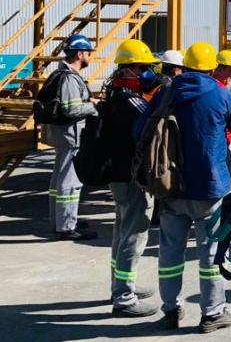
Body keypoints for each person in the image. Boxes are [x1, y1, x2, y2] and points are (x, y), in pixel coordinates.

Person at [133, 41, 231, 332]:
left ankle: (171, 309)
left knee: (170, 253)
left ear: (184, 67)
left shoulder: (167, 92)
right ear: (212, 68)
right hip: (210, 187)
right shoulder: (220, 94)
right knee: (210, 254)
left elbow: (139, 130)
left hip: (170, 187)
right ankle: (213, 312)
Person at [105, 40, 159, 317]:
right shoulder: (131, 102)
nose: (148, 73)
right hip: (130, 177)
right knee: (133, 235)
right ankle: (124, 298)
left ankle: (121, 285)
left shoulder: (115, 93)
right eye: (143, 67)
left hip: (118, 174)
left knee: (122, 232)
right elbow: (151, 127)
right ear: (129, 69)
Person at [45, 34, 99, 240]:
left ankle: (59, 221)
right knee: (70, 183)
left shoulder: (63, 74)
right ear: (79, 54)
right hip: (72, 136)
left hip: (64, 135)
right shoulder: (69, 78)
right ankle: (67, 227)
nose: (89, 56)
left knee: (58, 180)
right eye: (88, 53)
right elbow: (71, 109)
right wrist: (94, 106)